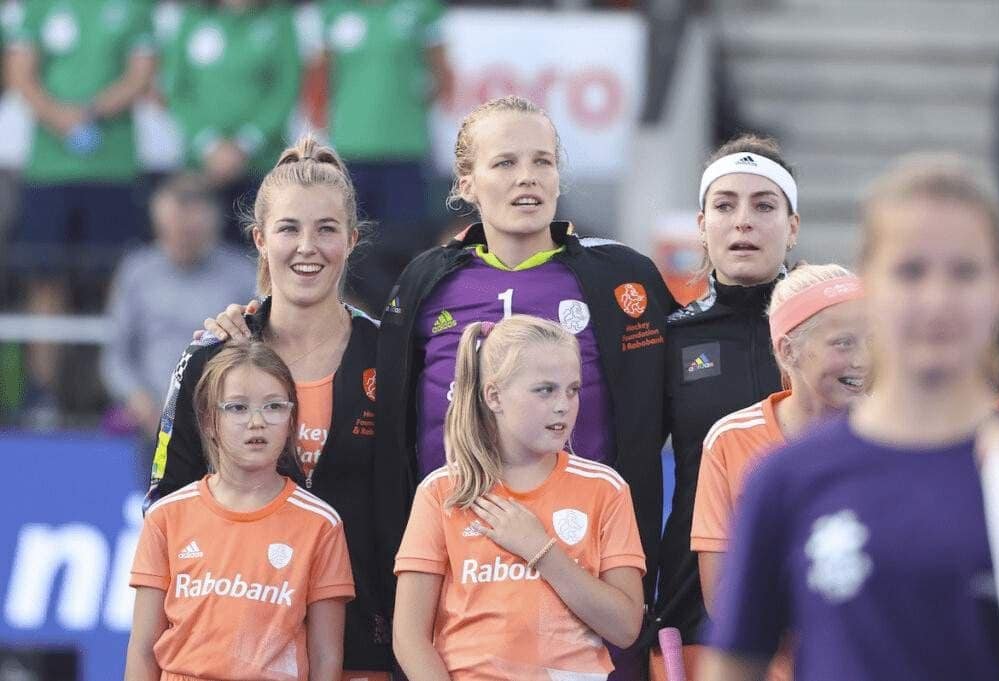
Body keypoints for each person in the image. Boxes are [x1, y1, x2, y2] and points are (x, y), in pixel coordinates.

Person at [372, 95, 675, 676]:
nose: (527, 178)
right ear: (467, 181)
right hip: (458, 571)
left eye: (542, 161)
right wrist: (253, 322)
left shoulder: (622, 279)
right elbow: (382, 401)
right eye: (505, 163)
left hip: (588, 570)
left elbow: (691, 381)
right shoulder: (424, 282)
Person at [701, 155, 999, 681]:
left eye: (964, 272)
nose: (937, 299)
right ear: (871, 285)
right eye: (910, 271)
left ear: (997, 286)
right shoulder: (787, 479)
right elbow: (735, 664)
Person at [146, 136, 392, 676]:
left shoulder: (391, 355)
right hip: (234, 651)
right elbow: (167, 500)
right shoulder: (213, 355)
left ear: (351, 240)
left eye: (327, 229)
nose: (308, 246)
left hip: (360, 649)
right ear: (260, 239)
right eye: (288, 229)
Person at [392, 316, 646, 679]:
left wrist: (541, 551)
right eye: (545, 390)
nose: (564, 405)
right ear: (494, 395)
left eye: (573, 389)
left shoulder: (605, 488)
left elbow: (625, 627)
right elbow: (409, 636)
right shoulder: (441, 492)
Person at [126, 341, 353, 680]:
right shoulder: (166, 517)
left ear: (291, 419)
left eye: (274, 406)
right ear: (208, 420)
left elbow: (326, 658)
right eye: (237, 408)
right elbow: (143, 649)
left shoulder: (321, 525)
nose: (257, 422)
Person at [655, 135, 799, 663]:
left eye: (764, 206)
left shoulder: (836, 334)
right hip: (694, 598)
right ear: (701, 226)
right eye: (724, 205)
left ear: (793, 227)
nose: (744, 221)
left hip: (815, 578)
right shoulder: (670, 339)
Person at [4, 0, 156, 421]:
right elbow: (20, 73)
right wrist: (61, 117)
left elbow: (141, 74)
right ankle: (42, 396)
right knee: (44, 279)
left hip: (115, 169)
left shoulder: (133, 8)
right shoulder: (37, 7)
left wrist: (87, 112)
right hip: (48, 170)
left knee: (117, 283)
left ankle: (119, 392)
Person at [692, 264, 867, 613]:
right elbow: (722, 601)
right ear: (788, 351)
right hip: (772, 668)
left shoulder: (895, 438)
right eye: (844, 343)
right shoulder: (730, 440)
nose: (863, 360)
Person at [316, 0, 454, 310]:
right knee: (347, 252)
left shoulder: (423, 8)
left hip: (405, 153)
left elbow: (441, 74)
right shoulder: (333, 10)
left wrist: (401, 113)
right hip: (350, 154)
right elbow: (320, 80)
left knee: (406, 253)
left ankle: (403, 330)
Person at [101, 173, 255, 441]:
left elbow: (260, 350)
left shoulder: (242, 275)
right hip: (150, 417)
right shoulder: (137, 272)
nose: (182, 238)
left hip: (224, 417)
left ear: (213, 225)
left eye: (191, 232)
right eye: (172, 230)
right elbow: (115, 355)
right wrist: (138, 398)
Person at [160, 0, 302, 242]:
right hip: (202, 166)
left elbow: (285, 89)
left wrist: (245, 144)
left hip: (263, 165)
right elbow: (176, 90)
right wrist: (210, 145)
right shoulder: (192, 20)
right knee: (202, 256)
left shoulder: (279, 20)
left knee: (262, 255)